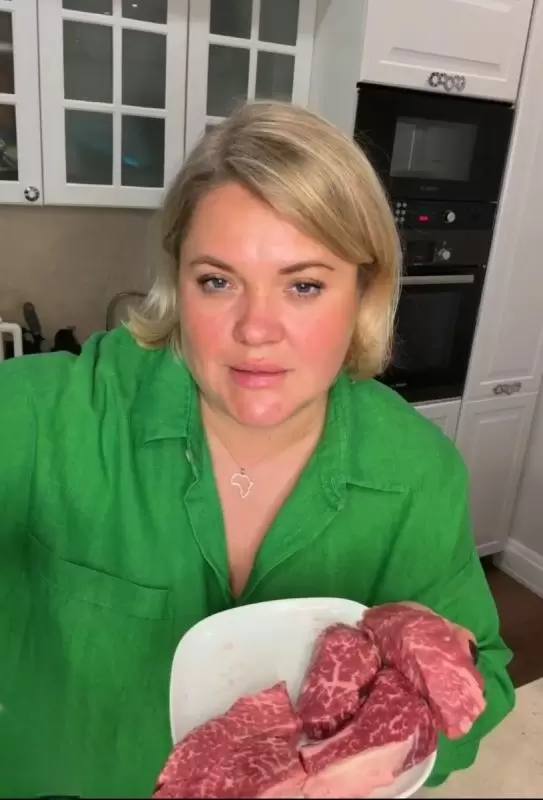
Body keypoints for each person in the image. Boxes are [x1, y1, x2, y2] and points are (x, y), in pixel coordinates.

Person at [0, 100, 514, 798]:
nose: (256, 329)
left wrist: (380, 755)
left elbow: (480, 681)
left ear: (363, 292)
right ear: (177, 284)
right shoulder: (50, 414)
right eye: (217, 281)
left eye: (304, 285)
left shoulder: (414, 471)